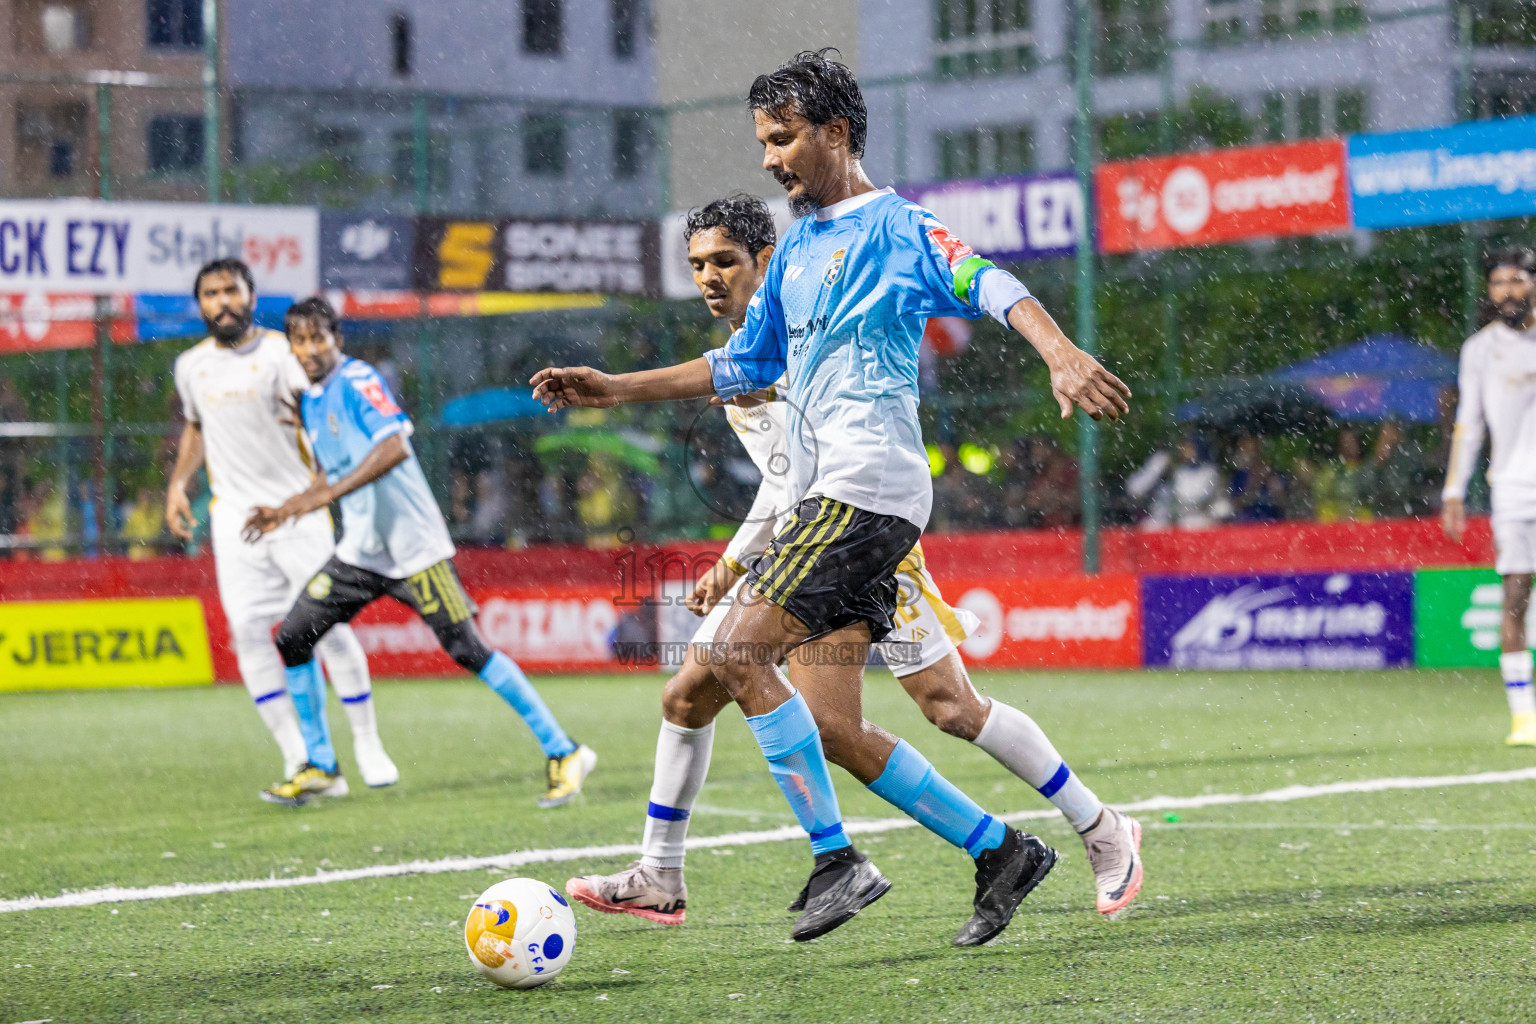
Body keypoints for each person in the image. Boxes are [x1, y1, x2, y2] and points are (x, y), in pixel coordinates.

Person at [533, 51, 1132, 945]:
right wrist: (613, 388)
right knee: (829, 713)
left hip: (867, 496)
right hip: (837, 508)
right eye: (764, 143)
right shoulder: (800, 249)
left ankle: (839, 859)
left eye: (782, 139)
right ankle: (997, 852)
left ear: (836, 133)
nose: (770, 159)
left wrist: (1058, 351)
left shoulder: (897, 228)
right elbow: (742, 362)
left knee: (741, 659)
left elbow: (990, 282)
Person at [243, 297, 597, 807]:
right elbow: (332, 471)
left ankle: (564, 751)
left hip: (415, 552)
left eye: (319, 337)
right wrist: (288, 508)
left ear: (336, 339)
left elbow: (391, 449)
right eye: (300, 339)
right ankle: (320, 764)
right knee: (294, 638)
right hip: (361, 552)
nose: (310, 348)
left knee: (469, 650)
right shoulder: (313, 400)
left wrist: (323, 496)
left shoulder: (359, 380)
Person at [165, 259, 395, 802]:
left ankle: (367, 744)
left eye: (231, 290)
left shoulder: (281, 354)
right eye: (211, 294)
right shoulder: (190, 366)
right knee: (248, 633)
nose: (222, 302)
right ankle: (305, 760)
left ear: (250, 295)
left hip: (297, 516)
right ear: (200, 304)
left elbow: (320, 408)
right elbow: (197, 426)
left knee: (329, 630)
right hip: (232, 521)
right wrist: (178, 484)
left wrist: (322, 480)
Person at [1442, 245, 1536, 747]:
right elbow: (1469, 424)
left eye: (1518, 280)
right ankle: (1524, 718)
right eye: (1499, 282)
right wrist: (1454, 489)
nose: (1508, 291)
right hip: (1514, 492)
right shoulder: (1479, 349)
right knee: (1515, 598)